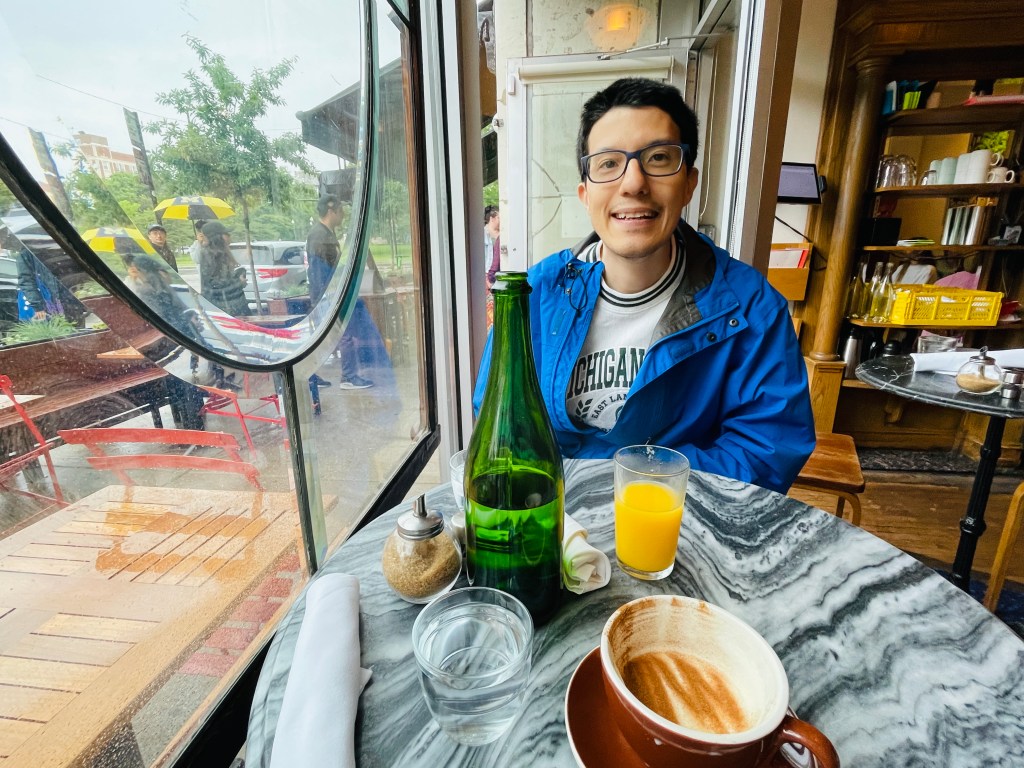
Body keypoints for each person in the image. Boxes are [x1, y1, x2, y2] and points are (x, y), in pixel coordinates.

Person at [473, 77, 815, 493]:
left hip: (681, 521)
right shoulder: (536, 295)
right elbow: (499, 419)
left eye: (657, 158)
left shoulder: (751, 308)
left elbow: (766, 451)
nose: (633, 183)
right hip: (556, 517)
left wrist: (633, 482)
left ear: (689, 183)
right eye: (608, 164)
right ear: (585, 193)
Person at [306, 193, 374, 390]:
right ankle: (348, 377)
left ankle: (310, 375)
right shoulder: (319, 236)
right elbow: (320, 272)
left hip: (330, 296)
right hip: (328, 297)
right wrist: (330, 297)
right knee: (344, 335)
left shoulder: (325, 233)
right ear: (331, 210)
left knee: (333, 336)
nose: (343, 214)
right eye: (341, 210)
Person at [198, 220, 249, 316]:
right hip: (222, 307)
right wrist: (239, 282)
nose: (229, 236)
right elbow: (215, 284)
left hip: (232, 304)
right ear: (217, 237)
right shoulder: (210, 254)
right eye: (226, 234)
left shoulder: (222, 253)